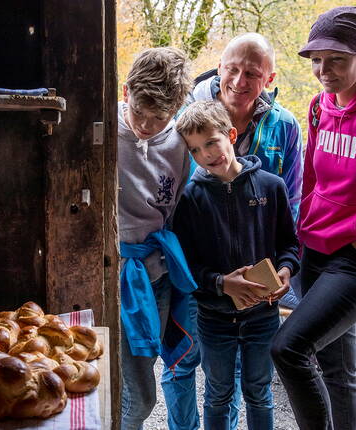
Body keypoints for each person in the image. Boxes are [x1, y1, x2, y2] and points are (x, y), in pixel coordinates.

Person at [270, 6, 356, 430]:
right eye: (316, 59)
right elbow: (312, 179)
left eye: (336, 59)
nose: (323, 69)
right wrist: (298, 238)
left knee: (289, 349)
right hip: (316, 248)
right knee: (337, 370)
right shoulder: (319, 107)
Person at [162, 32, 303, 430]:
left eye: (253, 74)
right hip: (208, 298)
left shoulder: (284, 131)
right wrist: (220, 283)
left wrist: (284, 272)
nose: (240, 80)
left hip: (261, 307)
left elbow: (289, 213)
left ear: (269, 78)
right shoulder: (185, 121)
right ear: (220, 67)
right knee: (190, 367)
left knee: (256, 386)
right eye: (233, 69)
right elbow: (183, 245)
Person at [117, 47, 199, 430]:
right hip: (113, 273)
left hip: (156, 275)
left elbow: (178, 204)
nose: (146, 126)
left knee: (143, 366)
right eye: (139, 113)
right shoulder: (100, 131)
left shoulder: (181, 145)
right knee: (138, 397)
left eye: (159, 118)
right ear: (125, 90)